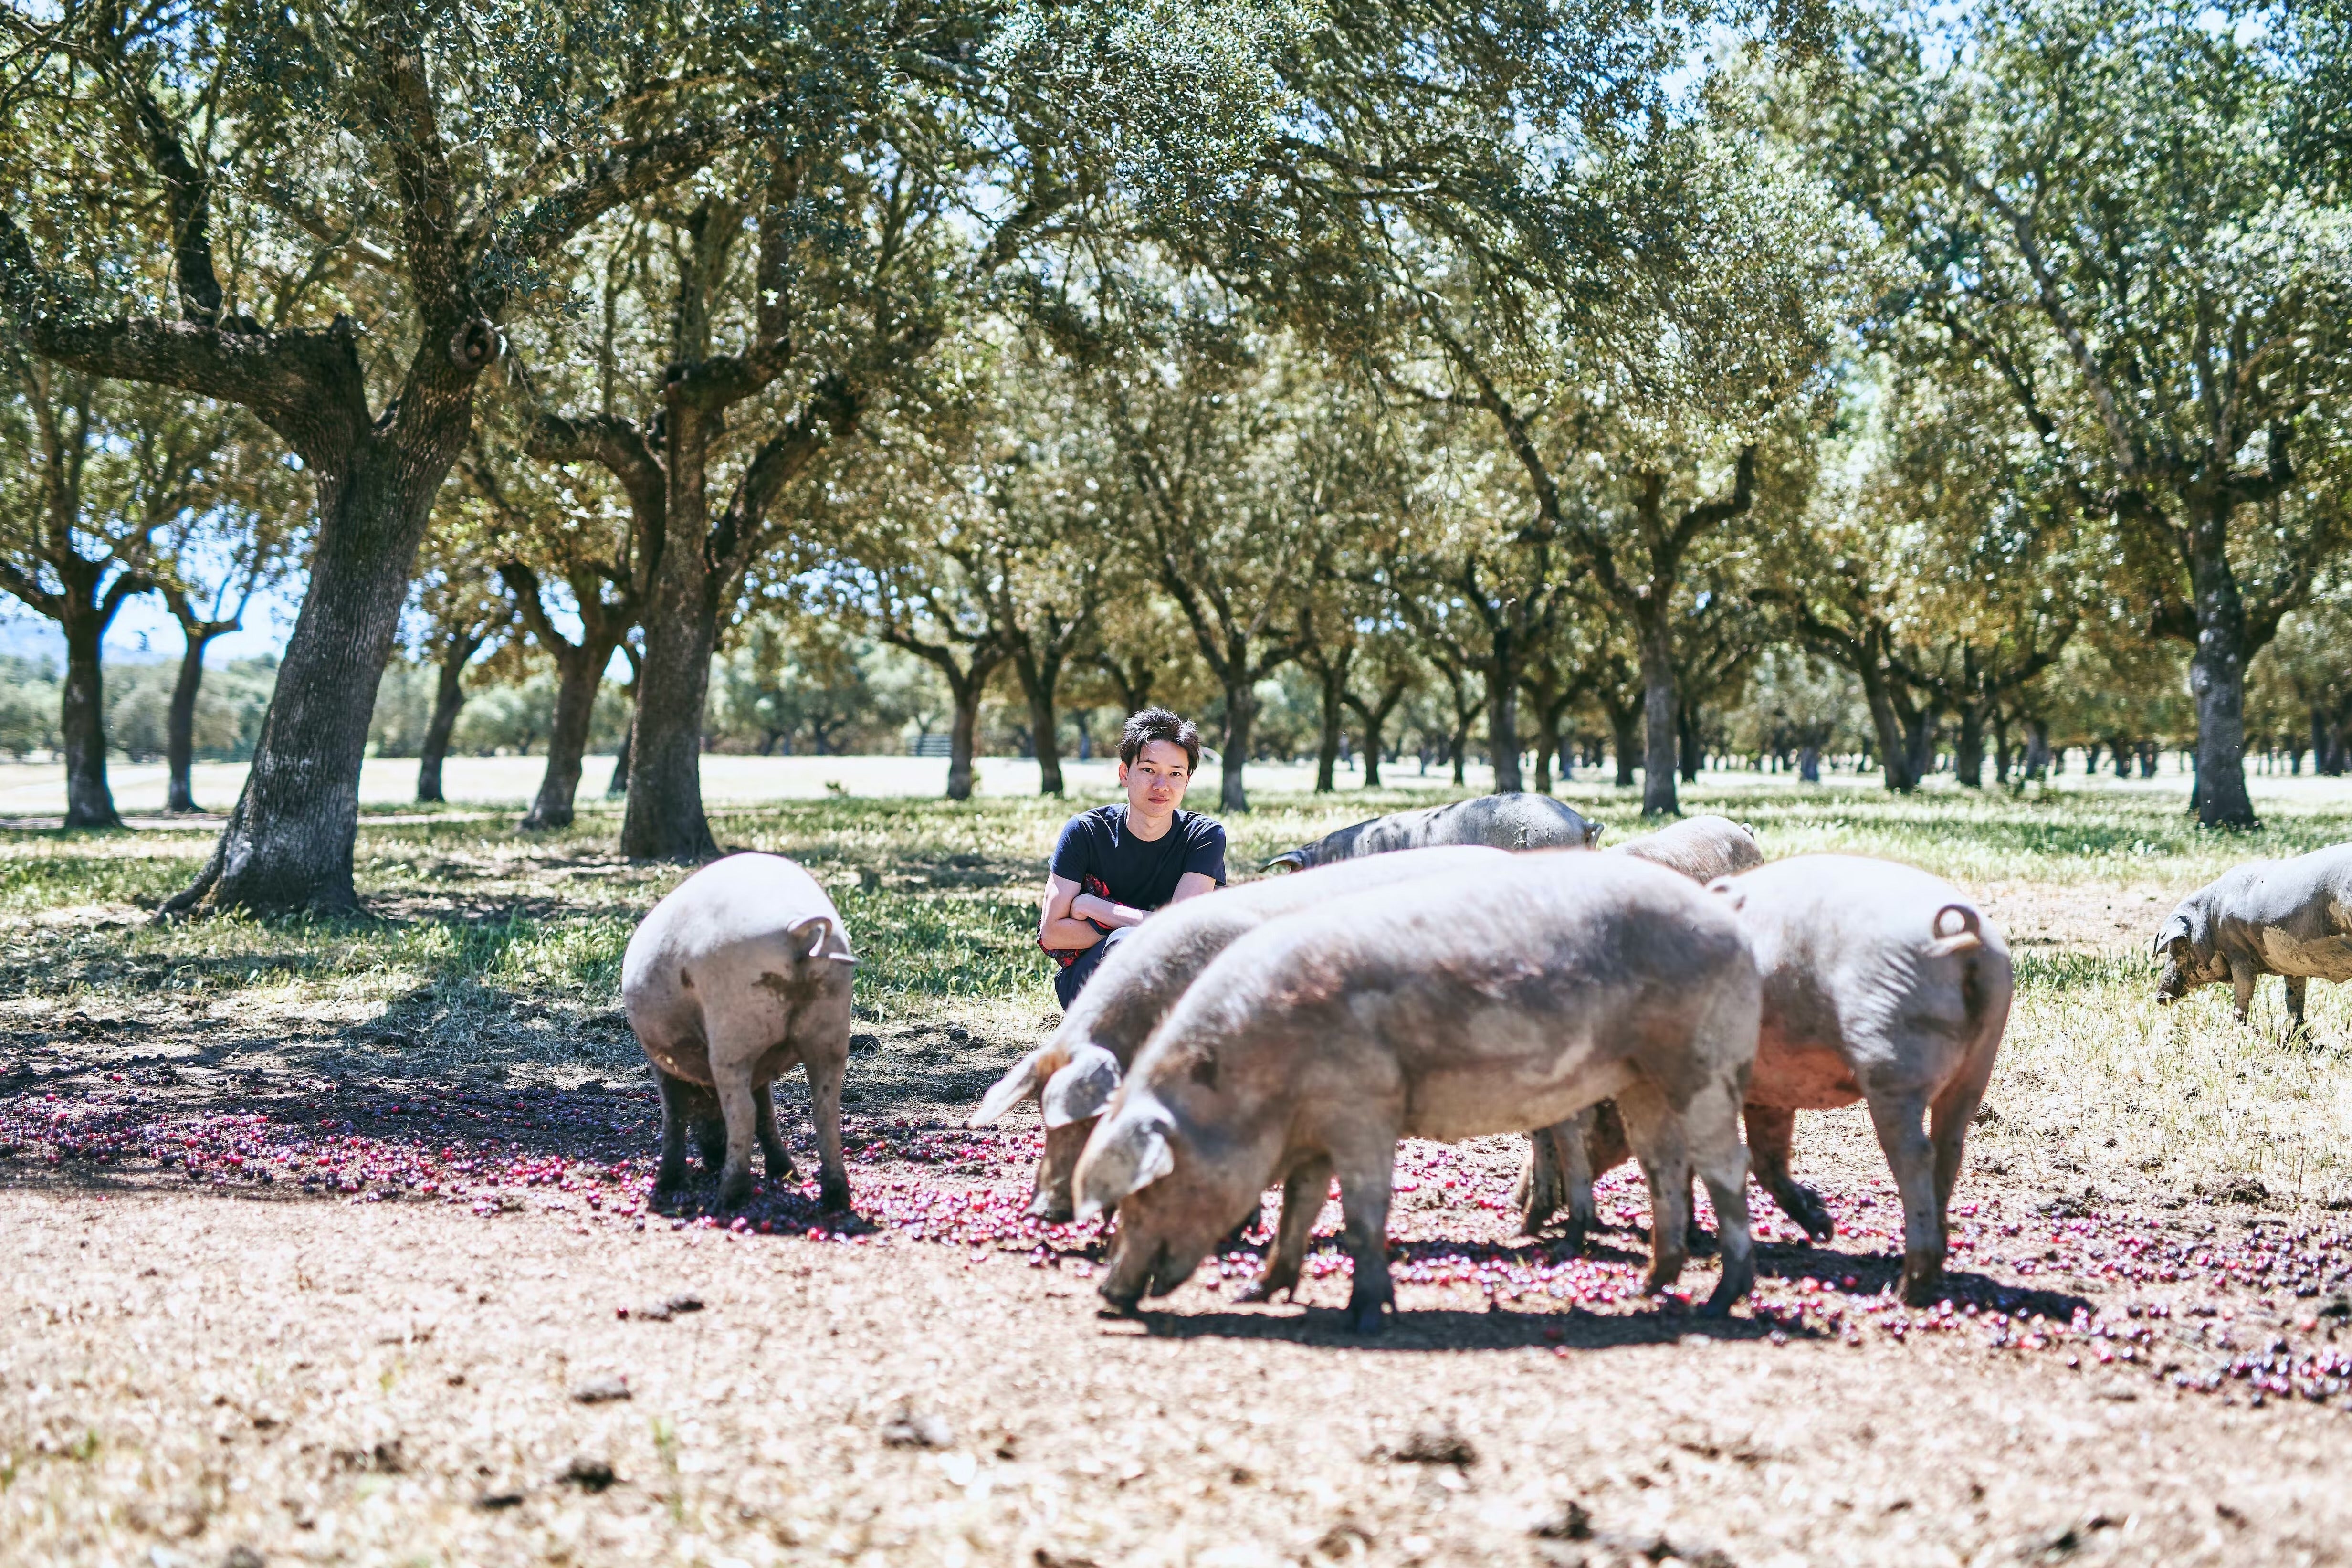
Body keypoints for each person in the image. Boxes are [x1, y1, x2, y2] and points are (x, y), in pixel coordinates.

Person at [1038, 707, 1226, 1008]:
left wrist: (1095, 907)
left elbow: (1182, 930)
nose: (1162, 785)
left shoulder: (1203, 837)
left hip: (1173, 977)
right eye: (1149, 770)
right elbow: (1052, 934)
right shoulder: (1085, 832)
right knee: (1124, 943)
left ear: (1187, 781)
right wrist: (1133, 928)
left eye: (1175, 774)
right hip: (1090, 985)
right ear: (1125, 774)